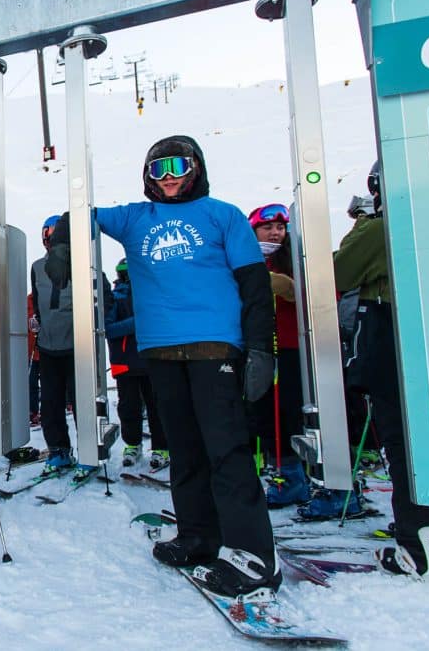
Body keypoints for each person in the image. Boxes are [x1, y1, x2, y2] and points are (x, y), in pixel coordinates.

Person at [46, 135, 280, 598]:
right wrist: (60, 247)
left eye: (177, 165)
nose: (169, 176)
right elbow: (80, 215)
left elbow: (255, 288)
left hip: (216, 349)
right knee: (184, 450)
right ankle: (198, 536)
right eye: (158, 169)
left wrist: (260, 348)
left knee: (227, 452)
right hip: (162, 354)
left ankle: (253, 556)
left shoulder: (222, 214)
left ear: (196, 167)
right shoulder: (136, 217)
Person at [334, 161, 429, 578]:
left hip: (394, 338)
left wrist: (363, 224)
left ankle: (416, 543)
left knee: (403, 442)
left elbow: (338, 272)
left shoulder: (380, 229)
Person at [31, 214, 112, 478]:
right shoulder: (36, 267)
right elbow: (40, 303)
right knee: (50, 403)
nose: (52, 238)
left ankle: (89, 451)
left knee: (82, 402)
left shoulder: (87, 268)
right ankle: (58, 450)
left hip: (78, 348)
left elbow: (104, 305)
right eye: (48, 232)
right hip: (49, 346)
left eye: (56, 232)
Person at [244, 204, 311, 507]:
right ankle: (279, 472)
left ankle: (299, 475)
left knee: (289, 412)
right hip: (256, 347)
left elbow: (320, 294)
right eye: (268, 227)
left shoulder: (295, 258)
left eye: (280, 227)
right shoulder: (244, 258)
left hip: (289, 347)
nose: (275, 233)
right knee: (262, 413)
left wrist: (292, 289)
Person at [106, 258, 167, 470]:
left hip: (152, 359)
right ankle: (132, 444)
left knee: (157, 406)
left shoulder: (153, 293)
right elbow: (109, 329)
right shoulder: (115, 297)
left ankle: (162, 447)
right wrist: (138, 322)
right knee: (128, 407)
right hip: (125, 361)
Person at [27, 292, 41, 428]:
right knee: (31, 383)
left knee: (51, 383)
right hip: (31, 351)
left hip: (47, 349)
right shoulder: (27, 302)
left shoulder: (48, 298)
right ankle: (33, 411)